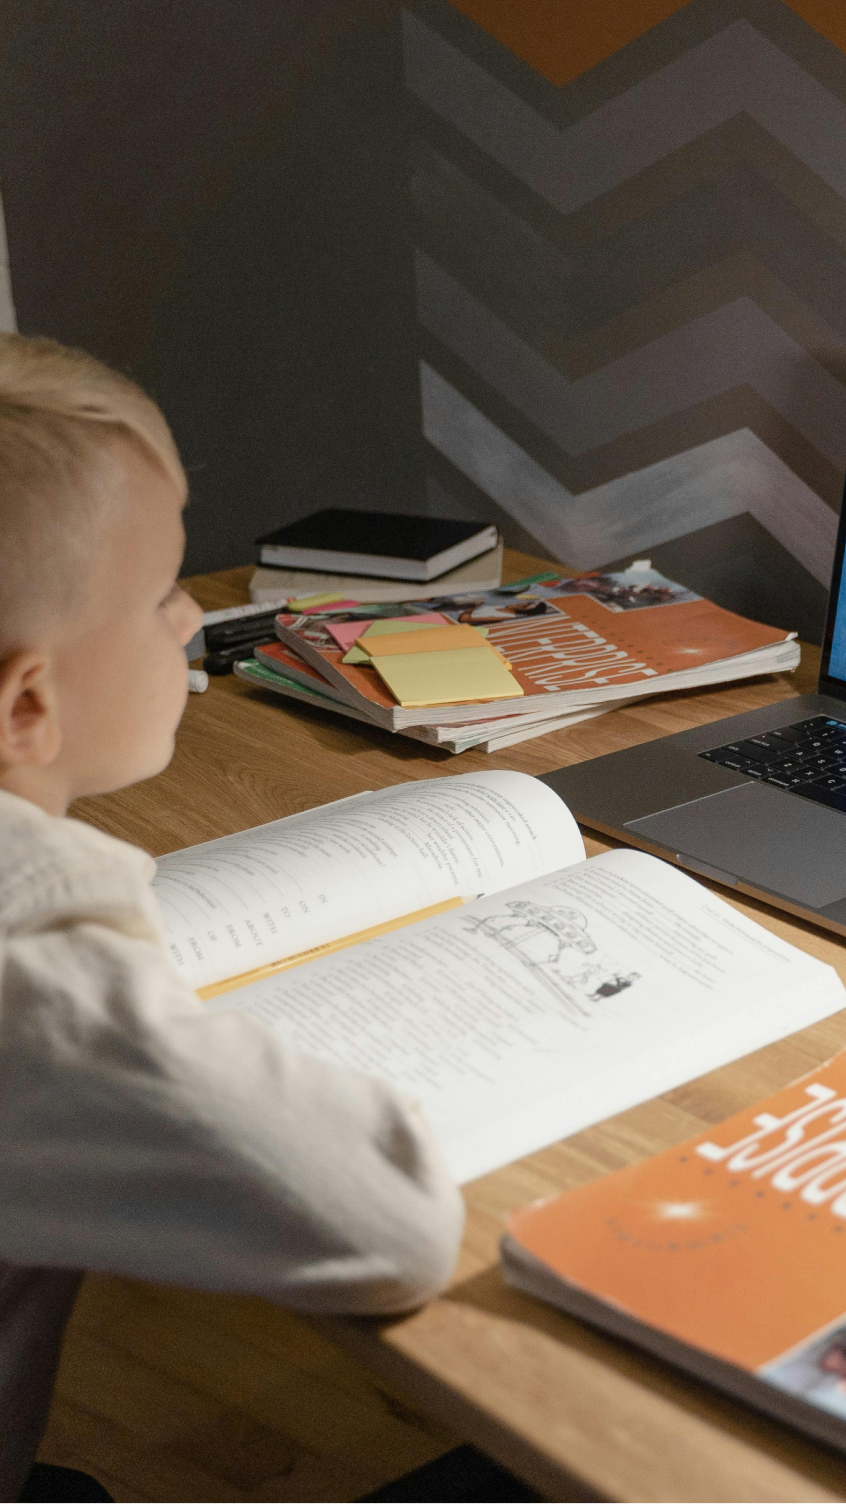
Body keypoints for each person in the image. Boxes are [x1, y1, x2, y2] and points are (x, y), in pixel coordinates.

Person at [0, 336, 465, 1504]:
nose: (191, 622)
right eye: (163, 592)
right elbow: (392, 1226)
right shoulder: (31, 975)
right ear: (27, 703)